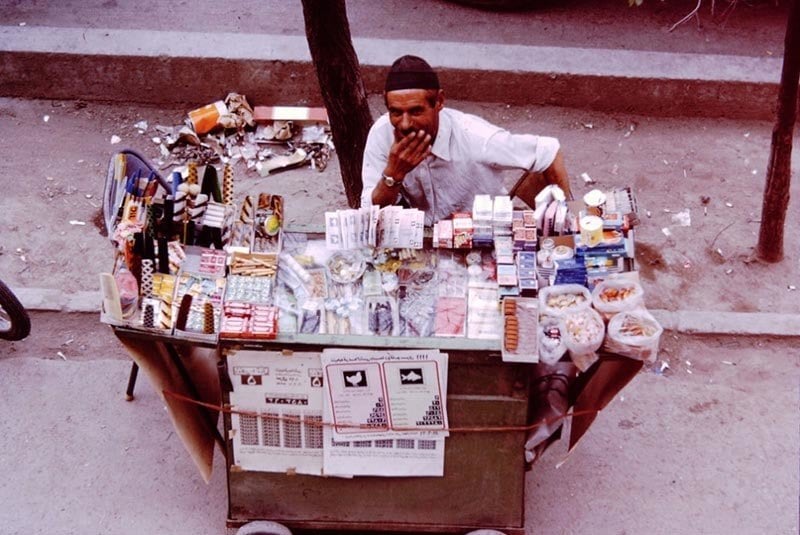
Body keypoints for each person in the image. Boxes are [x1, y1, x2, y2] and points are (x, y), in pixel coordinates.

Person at [361, 54, 572, 226]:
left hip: (481, 230)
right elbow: (370, 213)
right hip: (423, 233)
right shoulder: (382, 133)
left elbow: (548, 151)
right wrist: (393, 176)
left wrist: (564, 222)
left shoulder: (476, 137)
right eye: (396, 112)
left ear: (439, 102)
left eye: (416, 111)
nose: (405, 124)